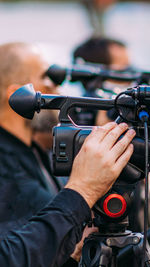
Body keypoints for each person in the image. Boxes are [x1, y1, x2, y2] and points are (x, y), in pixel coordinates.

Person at [0, 121, 135, 266]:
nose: (57, 98)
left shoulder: (34, 152)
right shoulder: (7, 166)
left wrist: (69, 254)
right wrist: (82, 190)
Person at [0, 42, 62, 237]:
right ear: (16, 95)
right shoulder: (5, 165)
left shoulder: (32, 149)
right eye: (45, 78)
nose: (55, 87)